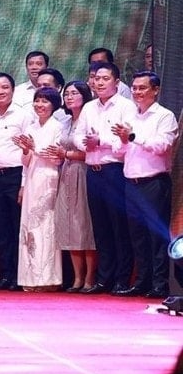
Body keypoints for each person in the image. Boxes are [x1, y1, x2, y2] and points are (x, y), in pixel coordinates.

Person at [111, 71, 178, 299]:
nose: (137, 92)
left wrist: (132, 136)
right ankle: (142, 281)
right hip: (131, 182)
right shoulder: (131, 116)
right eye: (135, 88)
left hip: (154, 182)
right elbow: (119, 152)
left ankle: (160, 284)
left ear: (156, 90)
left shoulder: (164, 116)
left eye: (142, 88)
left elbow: (162, 146)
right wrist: (122, 141)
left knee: (155, 236)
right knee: (137, 235)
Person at [74, 61, 134, 294]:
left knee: (119, 227)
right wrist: (87, 144)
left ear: (117, 82)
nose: (99, 82)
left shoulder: (126, 106)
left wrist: (101, 142)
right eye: (96, 78)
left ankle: (122, 279)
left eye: (105, 78)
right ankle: (104, 279)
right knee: (100, 228)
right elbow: (79, 136)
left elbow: (124, 143)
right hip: (93, 171)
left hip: (114, 171)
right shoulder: (89, 107)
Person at [47, 81, 97, 292]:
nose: (69, 97)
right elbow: (60, 151)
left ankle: (90, 278)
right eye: (66, 93)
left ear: (84, 95)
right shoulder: (65, 122)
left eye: (74, 93)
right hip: (66, 173)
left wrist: (66, 154)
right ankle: (77, 278)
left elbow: (93, 153)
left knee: (85, 225)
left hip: (84, 173)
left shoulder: (90, 119)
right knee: (69, 225)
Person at [0, 72, 31, 291]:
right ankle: (5, 275)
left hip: (16, 176)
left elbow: (29, 151)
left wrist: (23, 183)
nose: (0, 92)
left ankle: (19, 276)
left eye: (4, 88)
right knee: (1, 230)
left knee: (17, 227)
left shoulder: (23, 116)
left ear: (13, 90)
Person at [15, 88, 64, 291]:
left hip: (49, 179)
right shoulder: (32, 126)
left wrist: (33, 147)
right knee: (30, 227)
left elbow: (56, 157)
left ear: (53, 104)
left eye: (44, 101)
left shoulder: (57, 127)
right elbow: (25, 162)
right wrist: (26, 150)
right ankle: (30, 278)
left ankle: (49, 279)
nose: (40, 105)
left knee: (46, 226)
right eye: (37, 101)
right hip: (33, 178)